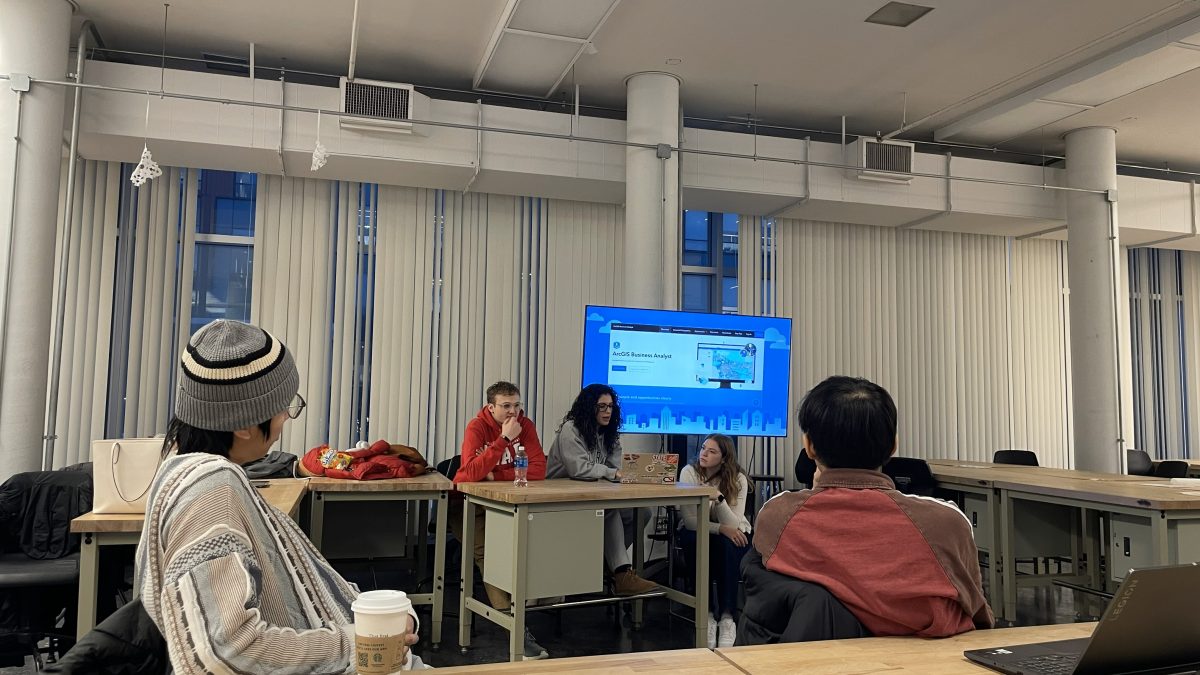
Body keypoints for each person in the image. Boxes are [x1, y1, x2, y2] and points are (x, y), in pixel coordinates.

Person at [135, 320, 427, 673]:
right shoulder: (210, 489)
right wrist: (358, 640)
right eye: (284, 407)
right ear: (243, 423)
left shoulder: (182, 472)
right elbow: (226, 649)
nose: (286, 418)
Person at [750, 375, 993, 638]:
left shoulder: (777, 515)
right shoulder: (947, 521)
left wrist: (816, 491)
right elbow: (977, 610)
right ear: (893, 446)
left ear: (808, 447)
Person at [450, 380, 549, 660]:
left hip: (505, 502)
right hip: (467, 504)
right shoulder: (477, 427)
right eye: (506, 406)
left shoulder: (525, 426)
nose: (513, 412)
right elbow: (469, 473)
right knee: (488, 556)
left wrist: (495, 474)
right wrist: (503, 440)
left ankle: (524, 608)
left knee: (525, 549)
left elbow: (539, 470)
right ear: (490, 407)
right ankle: (517, 634)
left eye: (517, 405)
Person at [546, 384, 657, 596]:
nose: (608, 412)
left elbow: (615, 470)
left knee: (642, 512)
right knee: (609, 510)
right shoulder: (571, 429)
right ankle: (622, 573)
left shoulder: (609, 433)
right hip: (560, 500)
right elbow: (579, 469)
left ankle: (608, 565)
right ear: (589, 408)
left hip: (593, 497)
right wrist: (612, 473)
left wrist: (629, 475)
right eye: (602, 407)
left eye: (611, 407)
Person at [678, 433, 751, 648]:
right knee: (694, 540)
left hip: (730, 531)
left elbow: (735, 523)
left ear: (724, 458)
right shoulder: (689, 472)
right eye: (703, 448)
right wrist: (721, 528)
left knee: (732, 543)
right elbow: (691, 521)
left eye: (712, 451)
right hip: (700, 529)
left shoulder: (738, 478)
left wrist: (718, 498)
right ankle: (706, 615)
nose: (704, 454)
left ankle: (728, 618)